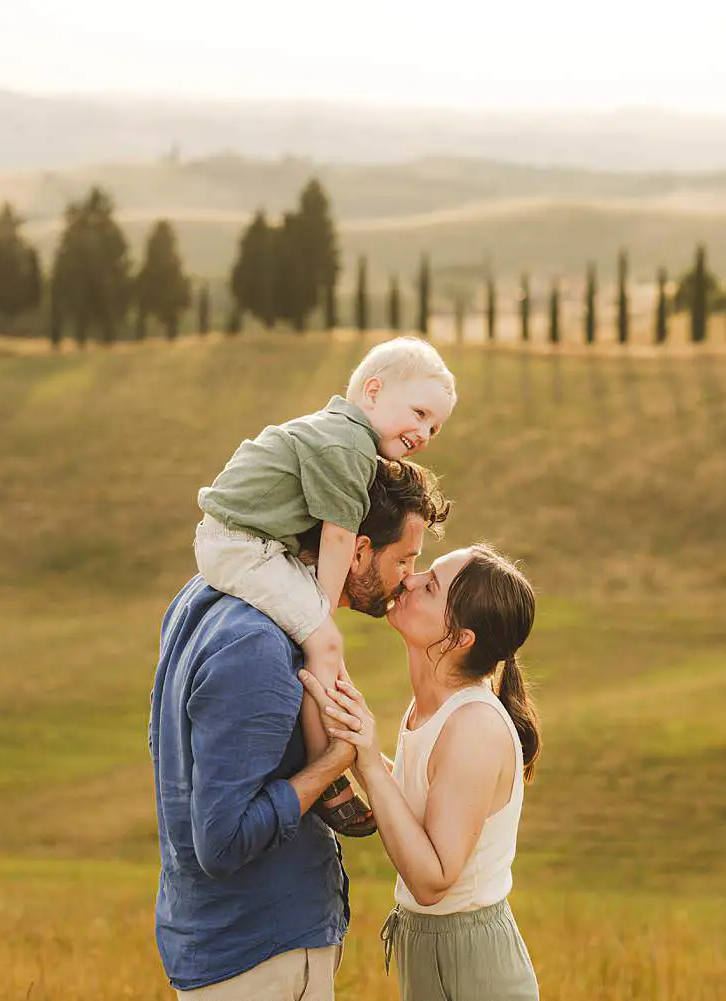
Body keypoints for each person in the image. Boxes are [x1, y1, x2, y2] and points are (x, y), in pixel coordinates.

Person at [151, 458, 451, 999]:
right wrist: (335, 762)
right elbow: (222, 843)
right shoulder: (259, 644)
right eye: (405, 558)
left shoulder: (204, 590)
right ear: (358, 551)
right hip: (261, 953)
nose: (409, 577)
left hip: (220, 940)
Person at [194, 335, 457, 834]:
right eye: (419, 413)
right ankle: (329, 772)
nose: (424, 432)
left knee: (323, 648)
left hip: (247, 541)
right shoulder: (348, 446)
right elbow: (338, 537)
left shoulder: (340, 433)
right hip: (241, 544)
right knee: (324, 641)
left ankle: (341, 753)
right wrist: (321, 615)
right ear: (373, 392)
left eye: (434, 426)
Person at [302, 544, 542, 1001]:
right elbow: (415, 803)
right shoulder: (428, 709)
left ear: (459, 638)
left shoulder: (474, 727)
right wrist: (354, 736)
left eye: (430, 585)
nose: (409, 580)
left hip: (472, 965)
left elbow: (432, 880)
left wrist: (368, 759)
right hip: (436, 950)